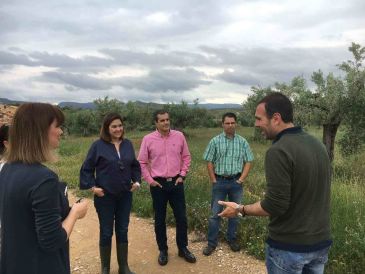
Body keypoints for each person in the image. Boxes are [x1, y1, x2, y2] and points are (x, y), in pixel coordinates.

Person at [218, 92, 332, 274]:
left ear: (276, 118)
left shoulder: (279, 150)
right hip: (320, 244)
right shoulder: (317, 144)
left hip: (289, 247)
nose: (256, 124)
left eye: (259, 119)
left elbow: (275, 205)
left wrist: (240, 209)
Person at [0, 103, 88, 274]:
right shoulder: (43, 178)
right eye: (57, 126)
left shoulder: (7, 169)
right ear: (40, 131)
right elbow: (52, 241)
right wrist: (75, 212)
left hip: (13, 264)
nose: (61, 132)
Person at [80, 113, 141, 274]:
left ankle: (123, 267)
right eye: (114, 126)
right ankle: (105, 268)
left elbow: (134, 165)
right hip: (104, 196)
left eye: (120, 125)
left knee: (122, 229)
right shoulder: (98, 145)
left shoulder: (127, 144)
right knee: (106, 231)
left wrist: (137, 181)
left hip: (125, 195)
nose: (118, 129)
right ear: (107, 128)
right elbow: (87, 168)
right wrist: (93, 188)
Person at [137, 110, 196, 266]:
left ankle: (183, 248)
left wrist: (182, 175)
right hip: (158, 184)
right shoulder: (148, 139)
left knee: (181, 218)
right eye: (162, 120)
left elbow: (186, 157)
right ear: (156, 123)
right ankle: (163, 250)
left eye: (167, 119)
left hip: (176, 183)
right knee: (160, 219)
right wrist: (149, 180)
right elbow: (142, 162)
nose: (166, 123)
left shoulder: (179, 136)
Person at [202, 112, 254, 256]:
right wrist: (213, 179)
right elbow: (209, 161)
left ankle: (232, 239)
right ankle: (211, 243)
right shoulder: (215, 141)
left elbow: (248, 160)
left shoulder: (242, 141)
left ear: (236, 123)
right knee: (215, 214)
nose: (230, 125)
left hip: (236, 182)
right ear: (222, 124)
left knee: (235, 212)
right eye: (227, 123)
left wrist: (241, 179)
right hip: (219, 181)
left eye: (232, 123)